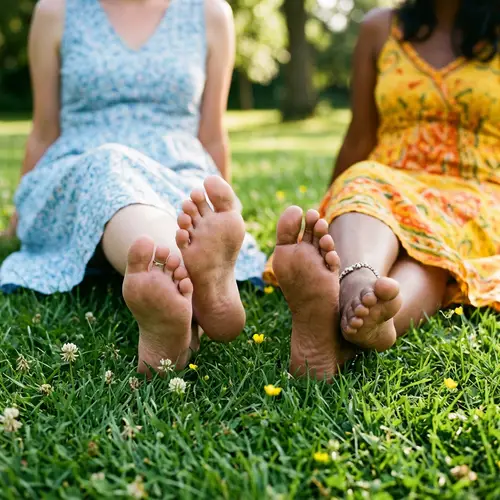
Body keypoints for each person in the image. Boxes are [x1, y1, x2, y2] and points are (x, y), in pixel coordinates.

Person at [0, 0, 266, 374]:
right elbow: (45, 129)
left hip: (176, 166)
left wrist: (223, 208)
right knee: (109, 166)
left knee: (177, 201)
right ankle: (193, 284)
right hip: (82, 166)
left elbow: (212, 134)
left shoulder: (210, 13)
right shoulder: (56, 11)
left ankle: (178, 311)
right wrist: (20, 214)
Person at [265, 0, 500, 380]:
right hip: (387, 180)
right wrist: (332, 211)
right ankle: (359, 288)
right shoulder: (380, 29)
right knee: (361, 181)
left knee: (431, 256)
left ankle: (343, 328)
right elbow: (361, 135)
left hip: (475, 192)